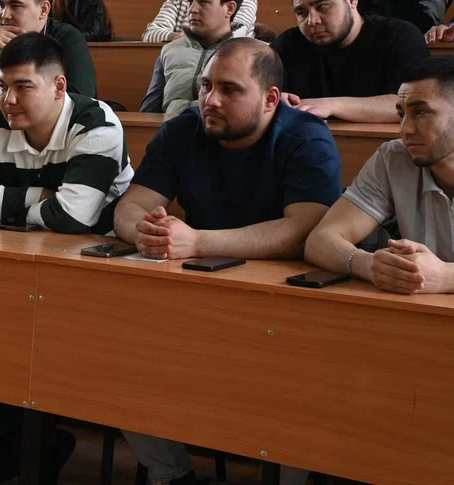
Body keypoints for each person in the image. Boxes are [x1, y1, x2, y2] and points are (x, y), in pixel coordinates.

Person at [114, 39, 338, 485]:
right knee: (117, 350)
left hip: (282, 308)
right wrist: (145, 232)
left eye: (230, 89)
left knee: (310, 380)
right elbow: (129, 206)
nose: (210, 100)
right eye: (205, 86)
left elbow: (306, 227)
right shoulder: (184, 129)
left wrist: (199, 242)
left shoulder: (307, 137)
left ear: (270, 99)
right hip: (197, 294)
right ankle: (170, 475)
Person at [0, 31, 131, 479]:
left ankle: (33, 433)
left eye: (23, 86)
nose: (8, 100)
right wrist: (40, 197)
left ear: (59, 86)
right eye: (2, 86)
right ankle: (15, 433)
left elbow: (74, 216)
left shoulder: (96, 122)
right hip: (18, 265)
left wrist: (5, 204)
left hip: (93, 279)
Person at [305, 57, 454, 294]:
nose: (404, 130)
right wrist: (369, 265)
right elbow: (320, 241)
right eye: (401, 114)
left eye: (420, 112)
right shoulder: (394, 157)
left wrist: (446, 276)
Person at [272, 0, 428, 122]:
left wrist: (331, 106)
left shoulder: (400, 36)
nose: (312, 21)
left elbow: (409, 105)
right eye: (302, 13)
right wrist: (274, 101)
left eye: (322, 7)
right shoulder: (287, 45)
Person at [141, 0, 243, 115]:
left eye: (203, 1)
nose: (192, 9)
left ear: (229, 8)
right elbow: (148, 112)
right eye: (190, 1)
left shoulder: (248, 55)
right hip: (171, 127)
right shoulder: (170, 50)